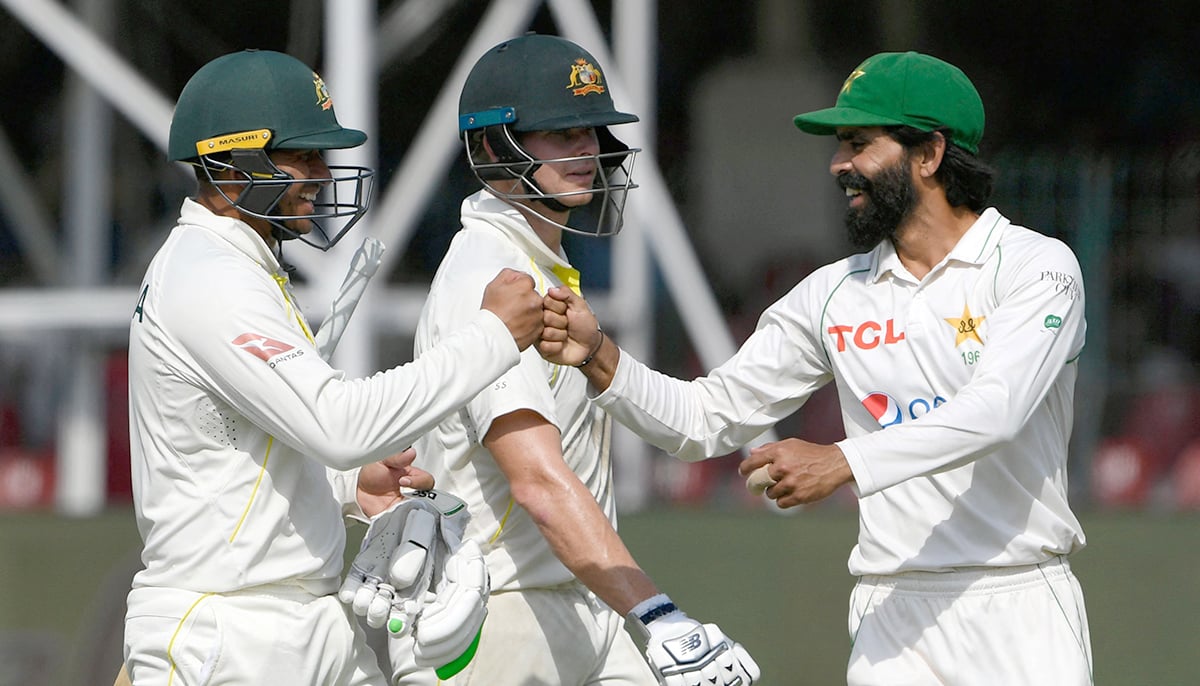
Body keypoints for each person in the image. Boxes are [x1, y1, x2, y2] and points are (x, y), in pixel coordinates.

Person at [541, 51, 1094, 686]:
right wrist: (599, 355)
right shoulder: (833, 293)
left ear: (930, 154)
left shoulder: (1035, 267)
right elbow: (704, 418)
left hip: (1018, 606)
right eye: (839, 146)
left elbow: (996, 411)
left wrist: (842, 462)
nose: (838, 166)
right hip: (891, 617)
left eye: (859, 144)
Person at [121, 49, 544, 685]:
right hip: (226, 635)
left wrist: (349, 488)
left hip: (297, 624)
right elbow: (339, 425)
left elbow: (250, 451)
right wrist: (491, 337)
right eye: (304, 155)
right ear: (233, 161)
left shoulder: (239, 266)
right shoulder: (208, 279)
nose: (322, 175)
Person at [390, 34, 759, 686]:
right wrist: (662, 616)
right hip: (495, 617)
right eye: (559, 134)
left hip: (578, 606)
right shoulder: (492, 275)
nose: (587, 150)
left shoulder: (541, 267)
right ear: (490, 145)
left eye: (591, 131)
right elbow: (535, 482)